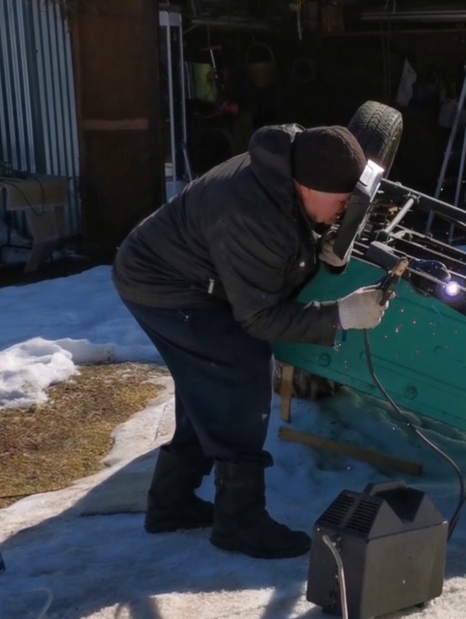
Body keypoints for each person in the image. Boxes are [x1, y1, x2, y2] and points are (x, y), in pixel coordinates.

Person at [111, 124, 390, 560]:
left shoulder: (288, 171)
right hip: (161, 283)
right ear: (310, 185)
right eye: (343, 201)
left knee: (206, 387)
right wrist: (340, 316)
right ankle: (239, 522)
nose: (346, 209)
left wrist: (323, 249)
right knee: (239, 371)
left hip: (195, 275)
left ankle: (171, 504)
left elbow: (284, 250)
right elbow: (260, 316)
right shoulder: (250, 214)